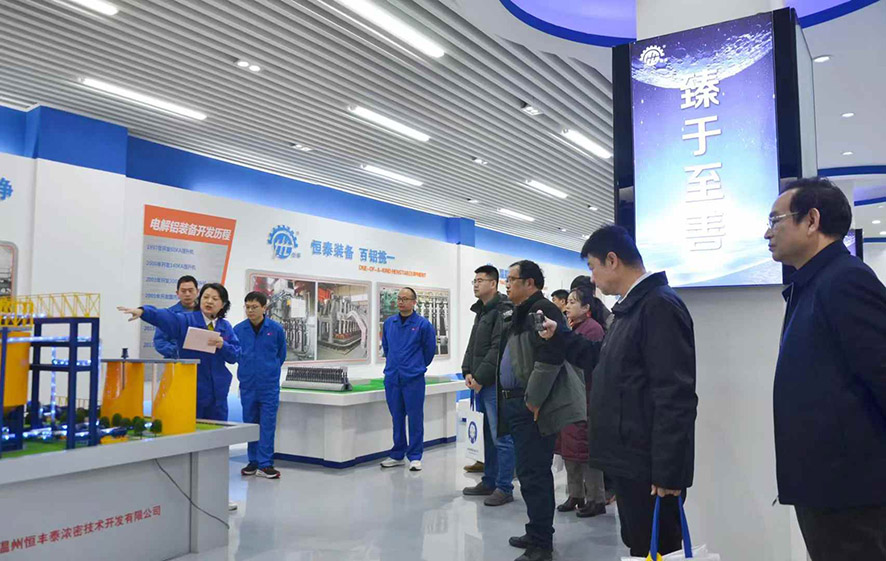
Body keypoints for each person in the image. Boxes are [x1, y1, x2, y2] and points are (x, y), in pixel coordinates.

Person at [540, 225, 697, 557]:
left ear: (612, 260)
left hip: (649, 468)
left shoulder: (658, 306)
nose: (592, 279)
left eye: (593, 267)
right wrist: (559, 335)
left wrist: (668, 471)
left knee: (657, 548)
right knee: (639, 545)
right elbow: (600, 359)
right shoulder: (629, 310)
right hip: (629, 461)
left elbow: (674, 395)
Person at [765, 178, 886, 559]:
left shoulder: (846, 280)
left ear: (812, 220)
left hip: (850, 492)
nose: (767, 233)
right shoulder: (813, 283)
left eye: (776, 220)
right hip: (826, 487)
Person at [500, 260, 586, 561]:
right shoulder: (521, 311)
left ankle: (541, 544)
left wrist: (533, 400)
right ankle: (535, 530)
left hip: (531, 407)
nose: (507, 284)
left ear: (530, 283)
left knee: (534, 472)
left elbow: (550, 358)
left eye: (512, 279)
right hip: (518, 403)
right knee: (527, 472)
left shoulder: (542, 310)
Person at [118, 282, 241, 421]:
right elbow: (165, 316)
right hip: (191, 390)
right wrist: (143, 312)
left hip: (218, 394)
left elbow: (235, 355)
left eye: (215, 299)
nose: (209, 301)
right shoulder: (186, 320)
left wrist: (223, 345)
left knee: (219, 432)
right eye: (205, 297)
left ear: (223, 304)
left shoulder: (225, 327)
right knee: (191, 429)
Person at [461, 265, 516, 507]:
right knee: (487, 436)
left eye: (480, 280)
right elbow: (473, 345)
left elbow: (498, 348)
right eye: (474, 280)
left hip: (494, 384)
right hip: (481, 383)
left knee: (501, 437)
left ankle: (504, 487)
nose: (475, 284)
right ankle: (489, 480)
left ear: (493, 284)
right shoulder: (482, 311)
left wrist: (480, 377)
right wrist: (466, 370)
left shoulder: (503, 310)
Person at [555, 286, 607, 518]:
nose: (567, 306)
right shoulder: (570, 328)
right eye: (567, 302)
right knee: (570, 450)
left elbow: (591, 365)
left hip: (586, 396)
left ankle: (596, 498)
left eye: (573, 302)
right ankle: (575, 494)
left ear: (586, 308)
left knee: (587, 452)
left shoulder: (593, 330)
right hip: (570, 396)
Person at [380, 287, 437, 472]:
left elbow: (429, 351)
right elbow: (387, 348)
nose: (401, 302)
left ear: (414, 302)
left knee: (415, 417)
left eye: (405, 299)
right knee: (396, 417)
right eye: (399, 298)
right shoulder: (389, 323)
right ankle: (397, 454)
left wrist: (415, 366)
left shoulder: (423, 325)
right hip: (393, 377)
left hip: (413, 378)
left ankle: (415, 456)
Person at [234, 291, 287, 480]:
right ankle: (253, 461)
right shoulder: (238, 330)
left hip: (268, 386)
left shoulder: (276, 329)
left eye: (254, 307)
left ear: (264, 308)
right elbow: (235, 354)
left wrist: (269, 370)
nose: (250, 311)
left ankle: (265, 464)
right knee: (250, 423)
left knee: (267, 425)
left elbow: (281, 355)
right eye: (247, 307)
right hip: (248, 385)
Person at [153, 275, 199, 358]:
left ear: (197, 291)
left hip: (202, 360)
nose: (187, 294)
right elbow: (159, 341)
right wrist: (177, 351)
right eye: (183, 291)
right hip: (176, 361)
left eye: (190, 290)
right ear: (177, 293)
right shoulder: (169, 314)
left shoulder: (205, 313)